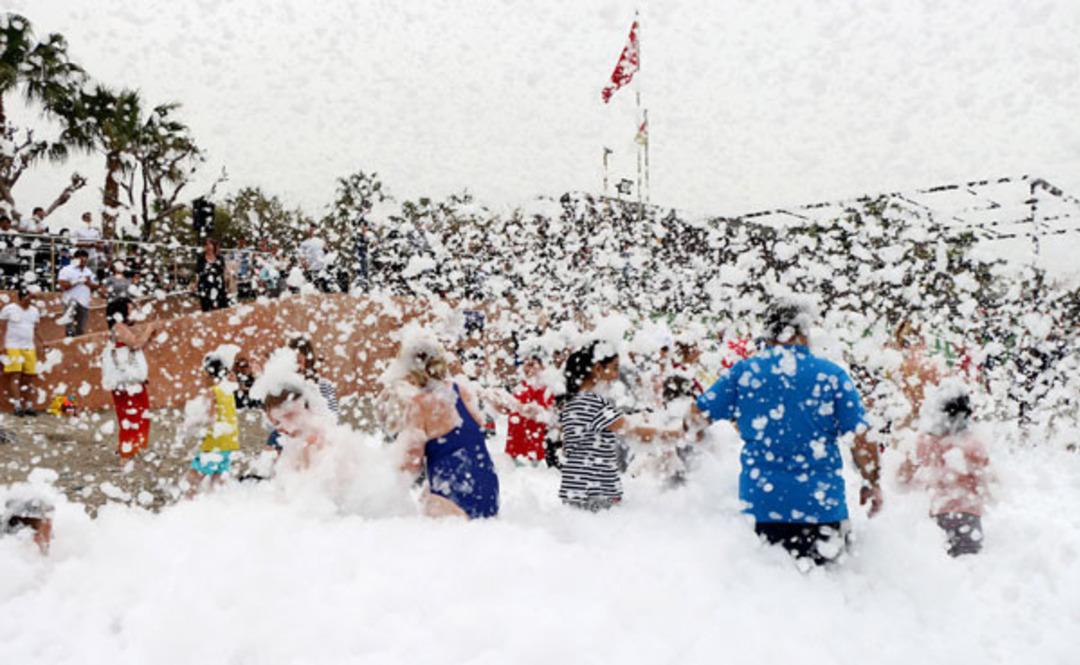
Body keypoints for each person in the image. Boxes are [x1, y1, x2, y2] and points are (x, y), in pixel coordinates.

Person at [689, 297, 883, 566]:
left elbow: (694, 418)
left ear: (768, 332)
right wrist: (871, 482)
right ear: (804, 330)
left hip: (762, 507)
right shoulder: (831, 375)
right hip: (821, 508)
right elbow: (862, 437)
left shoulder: (746, 372)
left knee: (766, 601)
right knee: (829, 598)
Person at [558, 341, 678, 511]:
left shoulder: (573, 402)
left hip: (575, 488)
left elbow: (567, 448)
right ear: (598, 369)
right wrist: (677, 434)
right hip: (596, 490)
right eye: (614, 368)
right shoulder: (593, 402)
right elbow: (634, 432)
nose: (616, 375)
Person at [394, 337, 499, 519]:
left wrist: (381, 478)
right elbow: (476, 431)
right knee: (426, 494)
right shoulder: (460, 390)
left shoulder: (418, 404)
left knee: (424, 506)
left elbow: (411, 465)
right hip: (488, 491)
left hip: (455, 495)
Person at [898, 383, 992, 557]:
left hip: (937, 516)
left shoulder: (925, 441)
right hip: (968, 517)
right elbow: (987, 481)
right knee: (968, 567)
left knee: (940, 565)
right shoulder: (974, 445)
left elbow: (903, 476)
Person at [103, 298, 160, 460]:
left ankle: (131, 446)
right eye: (129, 310)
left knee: (135, 413)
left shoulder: (121, 328)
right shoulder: (118, 327)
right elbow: (135, 345)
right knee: (133, 414)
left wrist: (149, 335)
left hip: (129, 381)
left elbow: (137, 348)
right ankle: (127, 450)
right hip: (127, 382)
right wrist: (148, 329)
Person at [184, 355, 240, 493]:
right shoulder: (228, 391)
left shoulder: (212, 392)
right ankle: (216, 507)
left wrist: (191, 424)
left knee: (193, 478)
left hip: (215, 443)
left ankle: (186, 504)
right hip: (230, 442)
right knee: (217, 483)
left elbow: (210, 418)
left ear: (208, 373)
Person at [0, 287, 46, 416]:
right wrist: (2, 344)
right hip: (12, 346)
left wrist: (42, 343)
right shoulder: (9, 309)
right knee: (15, 375)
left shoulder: (34, 311)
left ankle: (29, 406)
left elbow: (36, 329)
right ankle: (17, 405)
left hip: (29, 347)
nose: (31, 300)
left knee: (30, 377)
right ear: (22, 297)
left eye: (32, 297)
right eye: (29, 297)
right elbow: (2, 327)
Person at [504, 352, 554, 464]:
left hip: (534, 443)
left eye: (531, 364)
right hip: (516, 441)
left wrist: (532, 409)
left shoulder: (546, 387)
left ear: (542, 366)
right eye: (525, 364)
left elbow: (546, 412)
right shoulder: (521, 385)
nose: (527, 368)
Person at [57, 249, 97, 337]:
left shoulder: (88, 271)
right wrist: (77, 280)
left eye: (85, 260)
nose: (83, 262)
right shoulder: (66, 270)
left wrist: (89, 283)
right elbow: (63, 286)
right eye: (81, 260)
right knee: (70, 329)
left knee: (81, 330)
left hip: (84, 304)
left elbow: (95, 287)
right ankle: (69, 348)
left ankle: (77, 349)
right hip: (70, 303)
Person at [195, 237, 228, 311]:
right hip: (205, 286)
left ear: (214, 246)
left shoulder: (219, 258)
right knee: (206, 309)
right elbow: (197, 272)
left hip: (218, 286)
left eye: (210, 244)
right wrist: (196, 284)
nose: (208, 247)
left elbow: (223, 272)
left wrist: (226, 284)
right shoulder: (201, 258)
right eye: (206, 245)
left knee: (221, 308)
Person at [298, 225, 329, 292]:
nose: (312, 231)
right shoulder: (304, 243)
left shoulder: (321, 241)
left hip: (321, 268)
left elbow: (327, 252)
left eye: (313, 229)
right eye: (310, 230)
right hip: (311, 269)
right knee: (312, 289)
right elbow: (301, 256)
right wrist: (304, 264)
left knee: (325, 289)